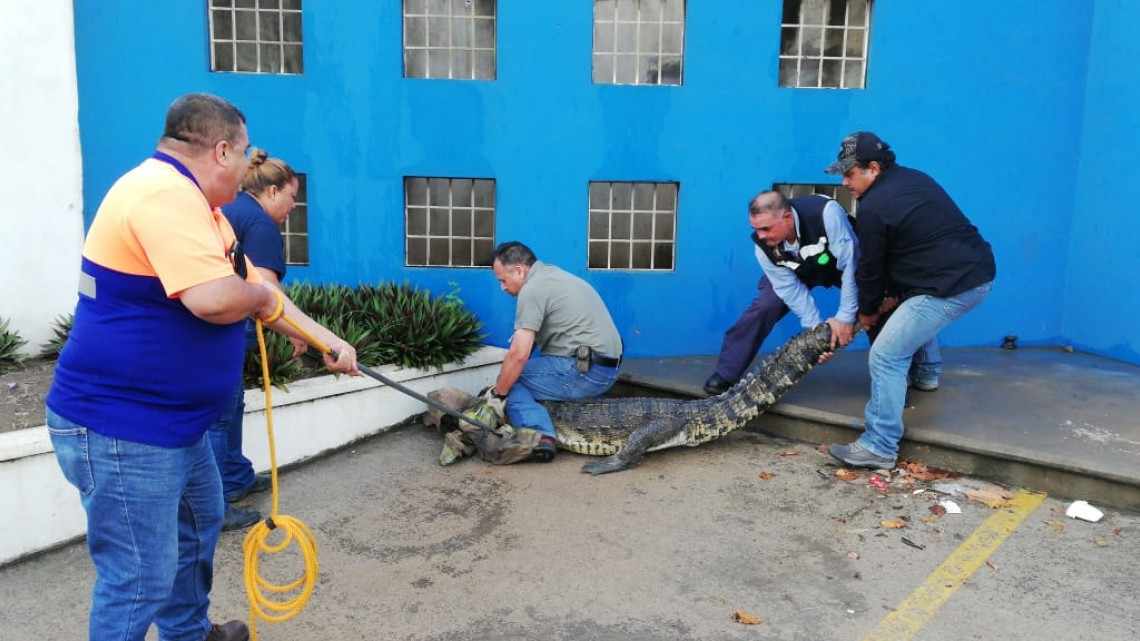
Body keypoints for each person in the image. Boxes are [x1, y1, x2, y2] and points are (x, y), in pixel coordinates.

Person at [45, 93, 360, 641]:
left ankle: (188, 634)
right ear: (221, 151)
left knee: (196, 529)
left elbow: (256, 286)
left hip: (174, 425)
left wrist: (325, 340)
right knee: (139, 577)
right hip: (124, 427)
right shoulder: (160, 195)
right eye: (245, 151)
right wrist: (259, 301)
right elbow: (214, 298)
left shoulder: (202, 211)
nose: (248, 167)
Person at [823, 131, 995, 469]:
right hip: (975, 272)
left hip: (950, 284)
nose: (844, 182)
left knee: (886, 355)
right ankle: (927, 373)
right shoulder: (914, 178)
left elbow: (870, 269)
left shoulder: (874, 207)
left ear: (873, 168)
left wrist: (867, 312)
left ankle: (879, 445)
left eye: (850, 174)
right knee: (911, 314)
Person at [209, 149, 307, 531]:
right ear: (272, 191)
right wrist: (302, 333)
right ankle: (214, 505)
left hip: (217, 324)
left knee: (232, 405)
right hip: (222, 328)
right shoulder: (260, 224)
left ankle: (235, 477)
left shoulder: (234, 210)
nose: (293, 207)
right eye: (291, 197)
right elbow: (268, 290)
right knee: (220, 414)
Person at [703, 190, 859, 395]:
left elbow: (851, 266)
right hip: (798, 271)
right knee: (765, 305)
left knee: (877, 302)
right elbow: (789, 289)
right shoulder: (762, 246)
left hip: (842, 266)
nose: (760, 236)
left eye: (766, 228)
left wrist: (845, 317)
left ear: (787, 218)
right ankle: (726, 372)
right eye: (756, 229)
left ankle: (895, 376)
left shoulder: (826, 214)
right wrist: (817, 334)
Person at [487, 242, 623, 461]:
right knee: (513, 374)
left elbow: (518, 355)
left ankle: (539, 437)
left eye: (503, 280)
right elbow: (529, 345)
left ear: (520, 271)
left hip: (585, 373)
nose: (502, 287)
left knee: (511, 379)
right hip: (606, 370)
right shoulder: (554, 277)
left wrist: (497, 395)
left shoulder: (532, 290)